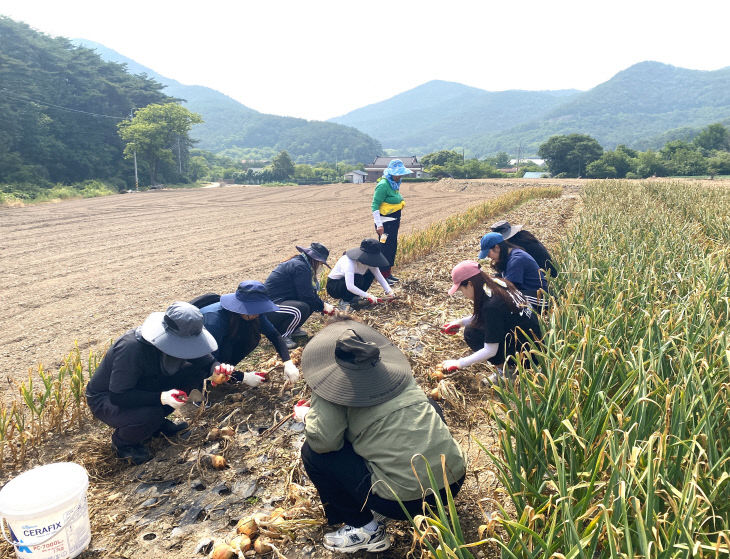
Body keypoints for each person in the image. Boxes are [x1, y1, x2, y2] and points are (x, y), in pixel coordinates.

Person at [294, 319, 467, 553]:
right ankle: (425, 494)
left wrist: (306, 416)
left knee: (314, 452)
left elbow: (324, 441)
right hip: (452, 482)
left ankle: (364, 528)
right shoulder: (397, 375)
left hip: (403, 502)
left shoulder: (331, 389)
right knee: (430, 407)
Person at [86, 302, 242, 464]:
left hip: (145, 385)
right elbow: (119, 396)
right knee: (149, 414)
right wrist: (162, 397)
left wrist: (217, 369)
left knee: (192, 374)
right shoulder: (132, 349)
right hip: (107, 399)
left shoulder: (184, 337)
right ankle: (124, 444)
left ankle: (156, 426)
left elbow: (206, 362)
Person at [440, 261, 542, 383]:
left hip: (528, 356)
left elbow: (490, 350)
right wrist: (461, 322)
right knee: (473, 327)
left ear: (470, 284)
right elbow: (496, 317)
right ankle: (513, 368)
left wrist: (459, 363)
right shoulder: (498, 283)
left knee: (471, 333)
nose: (464, 295)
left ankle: (510, 373)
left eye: (462, 290)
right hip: (537, 343)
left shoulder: (491, 305)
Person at [200, 281, 300, 383]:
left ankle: (226, 374)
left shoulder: (254, 314)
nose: (257, 314)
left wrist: (288, 362)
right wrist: (243, 377)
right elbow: (206, 360)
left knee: (252, 337)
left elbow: (273, 335)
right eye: (253, 311)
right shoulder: (214, 320)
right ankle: (211, 377)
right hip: (197, 358)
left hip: (220, 349)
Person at [265, 242, 335, 349]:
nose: (320, 266)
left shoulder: (303, 264)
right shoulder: (301, 267)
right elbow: (306, 295)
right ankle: (281, 337)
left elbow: (308, 295)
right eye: (321, 264)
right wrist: (324, 306)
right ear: (315, 260)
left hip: (281, 304)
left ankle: (292, 329)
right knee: (301, 308)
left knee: (311, 304)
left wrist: (321, 305)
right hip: (270, 308)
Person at [478, 232, 549, 312]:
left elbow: (509, 288)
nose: (488, 257)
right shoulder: (510, 255)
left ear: (497, 247)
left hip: (540, 299)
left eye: (488, 253)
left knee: (503, 299)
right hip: (528, 293)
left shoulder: (516, 260)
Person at [371, 159, 412, 284]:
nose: (399, 176)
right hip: (384, 225)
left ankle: (388, 273)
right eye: (397, 174)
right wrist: (379, 225)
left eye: (400, 174)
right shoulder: (383, 185)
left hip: (393, 223)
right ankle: (382, 276)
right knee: (384, 247)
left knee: (392, 247)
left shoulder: (394, 184)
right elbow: (375, 206)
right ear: (391, 173)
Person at [326, 239, 395, 310]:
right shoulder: (349, 262)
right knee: (358, 278)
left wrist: (389, 291)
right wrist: (368, 296)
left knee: (369, 275)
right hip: (335, 286)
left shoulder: (371, 262)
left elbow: (379, 276)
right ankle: (344, 302)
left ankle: (354, 298)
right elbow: (350, 286)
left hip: (352, 282)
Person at [490, 220, 557, 278]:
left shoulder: (517, 246)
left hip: (544, 277)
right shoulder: (523, 237)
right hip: (550, 272)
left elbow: (514, 270)